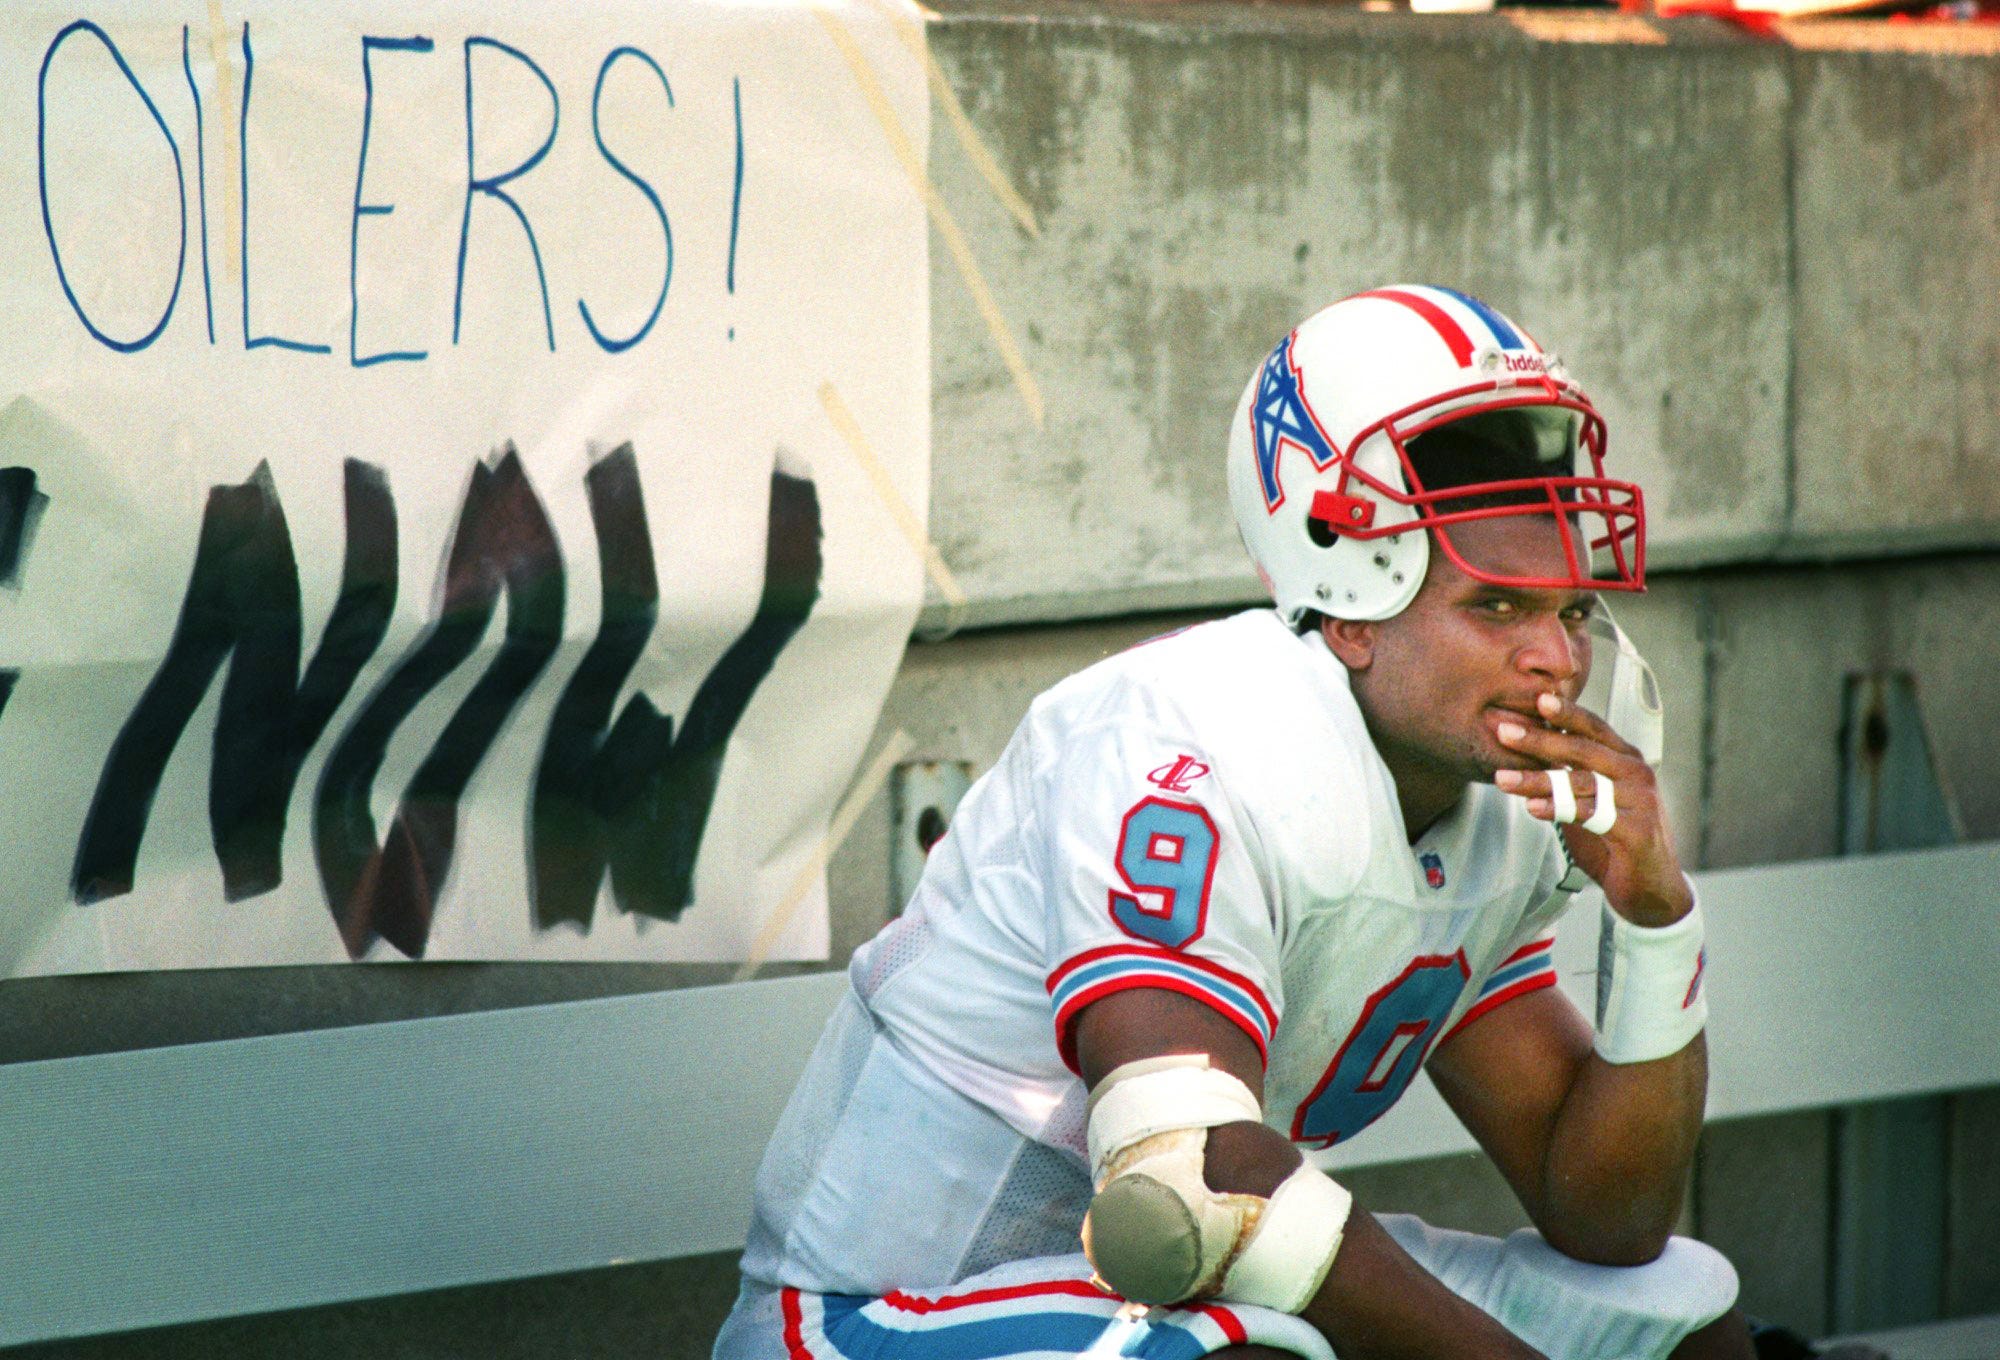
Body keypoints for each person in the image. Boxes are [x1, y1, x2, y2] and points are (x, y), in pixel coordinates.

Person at [714, 286, 1752, 1360]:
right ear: (1348, 603)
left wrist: (1652, 916)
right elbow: (1191, 1180)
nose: (1557, 660)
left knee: (1679, 1327)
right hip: (879, 1313)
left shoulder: (1481, 800)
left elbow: (1606, 1217)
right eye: (1495, 605)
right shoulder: (1189, 738)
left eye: (1570, 609)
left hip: (1161, 1292)